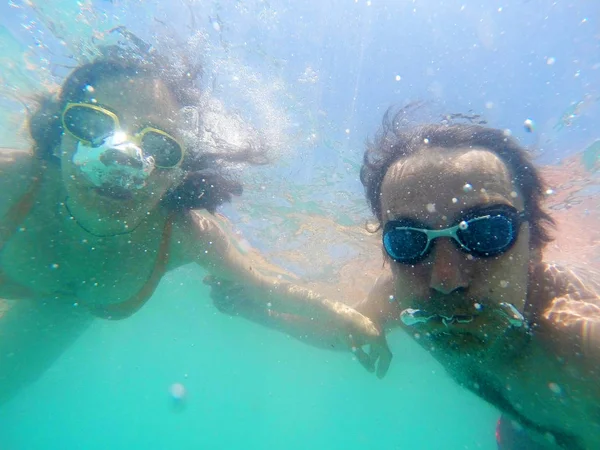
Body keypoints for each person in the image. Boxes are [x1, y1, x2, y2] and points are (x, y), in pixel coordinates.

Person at [0, 37, 387, 404]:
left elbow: (265, 287)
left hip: (62, 318)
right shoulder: (11, 183)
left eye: (159, 146)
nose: (120, 158)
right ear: (59, 133)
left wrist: (346, 317)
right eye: (91, 125)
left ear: (179, 172)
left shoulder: (186, 234)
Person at [213, 111, 600, 449]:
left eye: (486, 232)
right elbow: (348, 333)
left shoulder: (583, 345)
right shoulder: (401, 299)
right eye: (408, 241)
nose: (444, 279)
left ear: (535, 244)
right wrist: (255, 312)